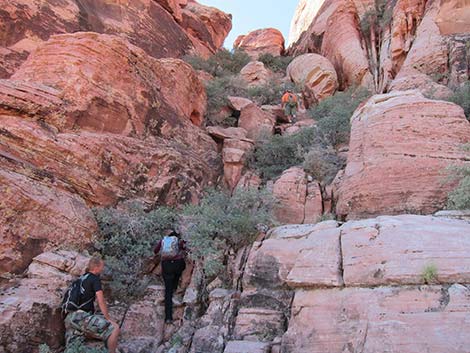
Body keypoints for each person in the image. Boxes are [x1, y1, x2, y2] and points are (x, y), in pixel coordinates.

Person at [64, 256, 120, 353]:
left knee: (74, 347)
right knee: (114, 328)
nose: (103, 269)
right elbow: (100, 300)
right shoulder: (94, 279)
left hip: (70, 318)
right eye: (102, 266)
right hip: (81, 316)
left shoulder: (81, 278)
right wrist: (108, 319)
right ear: (96, 267)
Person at [154, 229, 187, 324]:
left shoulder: (163, 240)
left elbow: (155, 251)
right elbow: (184, 248)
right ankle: (175, 286)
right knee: (179, 269)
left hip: (166, 265)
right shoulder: (178, 241)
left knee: (167, 292)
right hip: (177, 264)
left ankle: (168, 317)